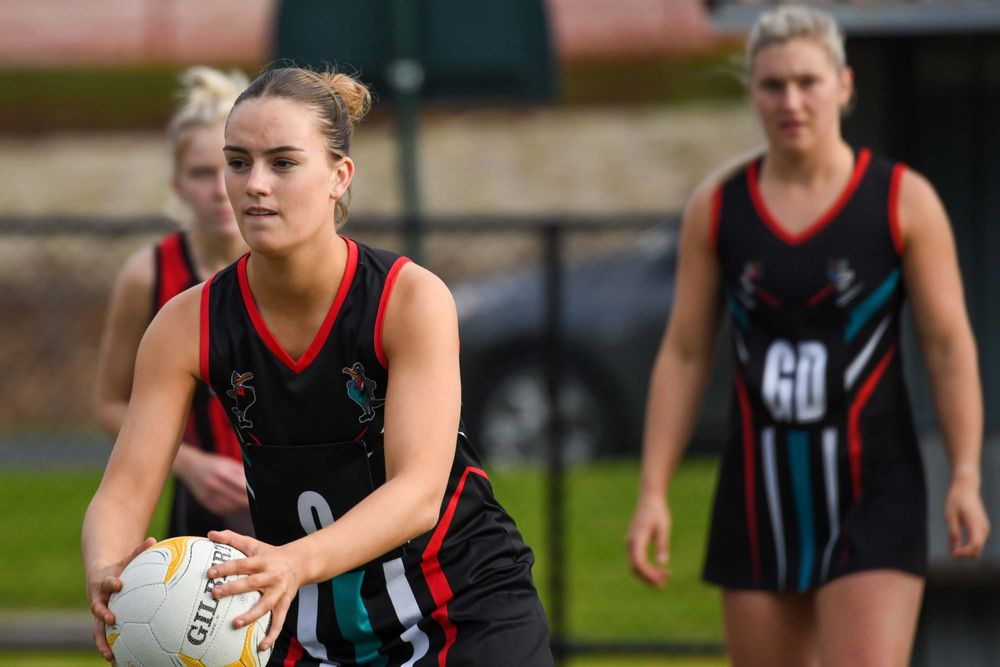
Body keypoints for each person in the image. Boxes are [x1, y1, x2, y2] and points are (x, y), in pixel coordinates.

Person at [83, 66, 553, 666]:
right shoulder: (186, 323)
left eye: (283, 163)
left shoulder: (408, 299)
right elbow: (123, 491)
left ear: (339, 176)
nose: (255, 184)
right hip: (305, 628)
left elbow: (416, 495)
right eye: (238, 162)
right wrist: (106, 570)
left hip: (463, 609)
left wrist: (292, 560)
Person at [626, 5, 989, 666]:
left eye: (808, 82)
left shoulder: (903, 200)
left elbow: (948, 345)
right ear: (752, 94)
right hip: (757, 494)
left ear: (844, 86)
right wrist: (653, 490)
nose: (791, 101)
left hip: (873, 491)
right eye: (772, 85)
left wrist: (964, 472)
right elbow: (683, 353)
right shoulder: (718, 206)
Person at [94, 66, 253, 538]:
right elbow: (109, 402)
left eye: (232, 166)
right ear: (177, 185)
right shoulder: (150, 275)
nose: (218, 188)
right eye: (200, 173)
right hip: (203, 508)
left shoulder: (295, 267)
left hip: (300, 498)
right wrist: (192, 465)